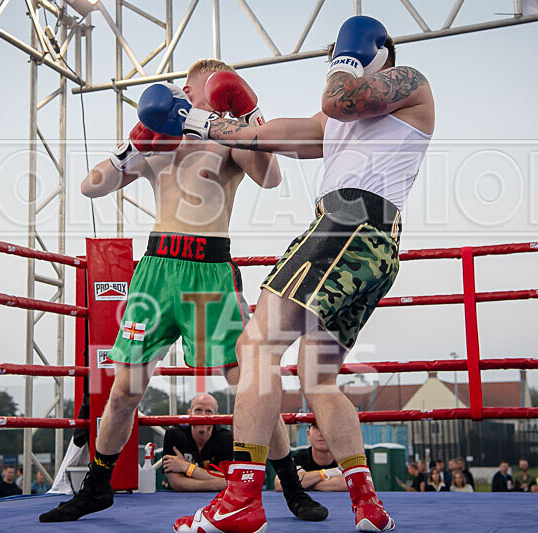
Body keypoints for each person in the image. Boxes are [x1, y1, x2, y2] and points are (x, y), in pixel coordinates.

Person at [162, 15, 433, 532]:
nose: (338, 63)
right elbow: (292, 134)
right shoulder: (342, 117)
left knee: (255, 347)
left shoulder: (410, 84)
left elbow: (337, 100)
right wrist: (210, 125)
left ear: (376, 54)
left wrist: (347, 60)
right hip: (371, 243)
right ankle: (366, 504)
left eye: (346, 55)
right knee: (318, 378)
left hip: (348, 224)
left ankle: (241, 498)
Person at [38, 56, 326, 525]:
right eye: (196, 91)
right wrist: (131, 146)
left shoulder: (230, 141)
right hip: (156, 271)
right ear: (186, 94)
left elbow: (270, 178)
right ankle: (96, 486)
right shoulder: (161, 142)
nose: (199, 98)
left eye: (213, 91)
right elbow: (92, 187)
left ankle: (290, 486)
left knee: (249, 383)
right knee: (125, 389)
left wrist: (248, 118)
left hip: (210, 273)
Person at [162, 394, 234, 492]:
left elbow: (229, 481)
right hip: (179, 501)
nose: (202, 416)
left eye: (208, 411)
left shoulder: (226, 438)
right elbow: (177, 484)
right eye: (198, 410)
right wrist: (215, 484)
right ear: (189, 413)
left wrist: (186, 467)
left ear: (216, 416)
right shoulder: (174, 435)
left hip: (216, 500)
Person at [274, 423, 347, 492]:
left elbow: (351, 483)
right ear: (308, 434)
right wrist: (326, 473)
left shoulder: (345, 458)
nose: (321, 433)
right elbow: (280, 483)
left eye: (327, 428)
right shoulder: (300, 458)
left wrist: (307, 483)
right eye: (316, 427)